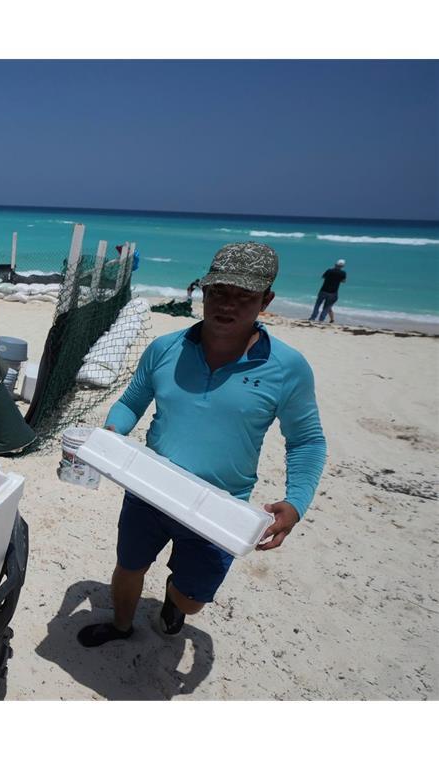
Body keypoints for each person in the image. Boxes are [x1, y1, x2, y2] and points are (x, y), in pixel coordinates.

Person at [77, 241, 326, 648]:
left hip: (220, 505)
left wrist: (296, 502)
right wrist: (110, 434)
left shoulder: (288, 367)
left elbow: (307, 441)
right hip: (150, 488)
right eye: (218, 294)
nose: (227, 306)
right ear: (203, 293)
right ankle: (122, 627)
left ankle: (177, 600)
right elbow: (131, 402)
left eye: (243, 298)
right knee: (128, 566)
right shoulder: (165, 349)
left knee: (193, 600)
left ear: (267, 300)